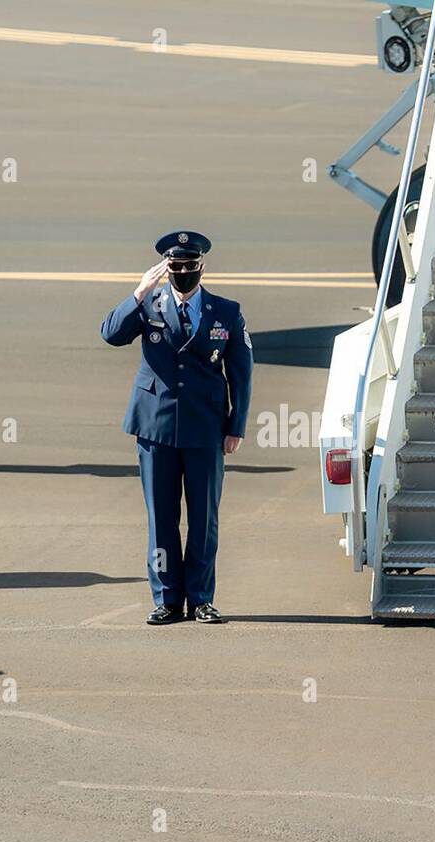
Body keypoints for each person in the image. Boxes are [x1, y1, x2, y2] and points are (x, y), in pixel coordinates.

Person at [101, 231, 253, 625]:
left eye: (190, 266)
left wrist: (236, 425)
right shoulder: (148, 304)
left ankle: (201, 598)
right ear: (165, 269)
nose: (183, 273)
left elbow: (241, 372)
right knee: (161, 517)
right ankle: (167, 598)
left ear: (202, 267)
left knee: (204, 518)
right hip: (156, 426)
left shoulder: (226, 311)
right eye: (176, 267)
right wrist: (138, 292)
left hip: (205, 426)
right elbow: (111, 333)